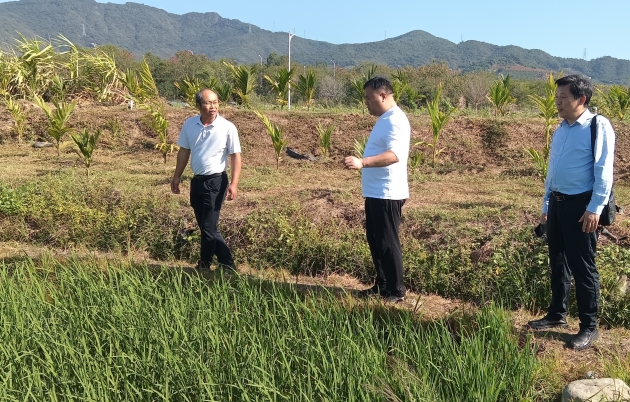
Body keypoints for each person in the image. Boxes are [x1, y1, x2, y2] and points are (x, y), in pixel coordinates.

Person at [527, 75, 615, 350]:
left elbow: (604, 171)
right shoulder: (561, 130)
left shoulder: (597, 126)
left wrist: (594, 209)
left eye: (563, 97)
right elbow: (552, 172)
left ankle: (589, 327)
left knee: (583, 266)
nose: (558, 102)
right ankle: (557, 313)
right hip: (557, 203)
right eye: (557, 97)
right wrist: (546, 206)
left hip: (581, 206)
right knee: (558, 262)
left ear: (581, 99)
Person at [344, 77, 410, 303]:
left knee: (388, 242)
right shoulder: (385, 119)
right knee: (376, 240)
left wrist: (362, 162)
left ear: (383, 96)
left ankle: (396, 291)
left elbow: (394, 155)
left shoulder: (395, 120)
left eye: (368, 98)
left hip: (387, 192)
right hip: (375, 192)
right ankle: (382, 285)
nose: (366, 103)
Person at [171, 88, 242, 272]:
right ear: (198, 105)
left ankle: (204, 264)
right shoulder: (190, 124)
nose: (213, 107)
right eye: (208, 103)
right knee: (205, 225)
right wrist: (177, 176)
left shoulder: (227, 127)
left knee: (209, 227)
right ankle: (227, 264)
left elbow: (235, 156)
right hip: (197, 181)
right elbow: (184, 151)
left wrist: (234, 183)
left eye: (215, 102)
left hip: (216, 182)